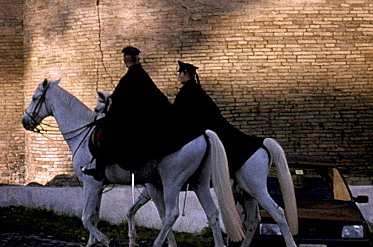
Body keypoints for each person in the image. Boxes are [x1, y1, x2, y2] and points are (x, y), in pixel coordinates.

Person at [89, 46, 174, 177]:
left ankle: (100, 169)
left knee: (105, 132)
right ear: (138, 59)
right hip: (148, 121)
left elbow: (117, 104)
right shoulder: (143, 76)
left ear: (124, 60)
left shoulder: (128, 78)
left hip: (134, 124)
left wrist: (109, 116)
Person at [172, 61, 264, 174]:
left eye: (180, 73)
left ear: (186, 74)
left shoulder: (189, 91)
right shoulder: (193, 89)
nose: (178, 76)